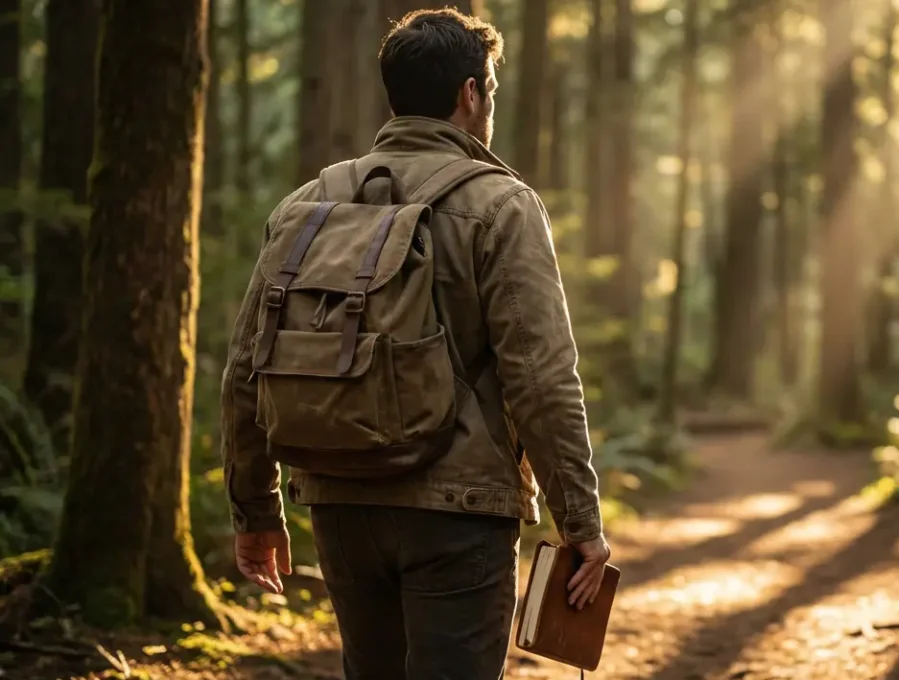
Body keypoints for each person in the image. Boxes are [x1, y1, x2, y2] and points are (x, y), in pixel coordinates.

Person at [219, 8, 610, 679]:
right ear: (470, 93)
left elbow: (247, 371)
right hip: (459, 512)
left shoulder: (307, 205)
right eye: (489, 87)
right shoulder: (501, 205)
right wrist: (579, 521)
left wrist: (256, 510)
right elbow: (541, 376)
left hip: (340, 500)